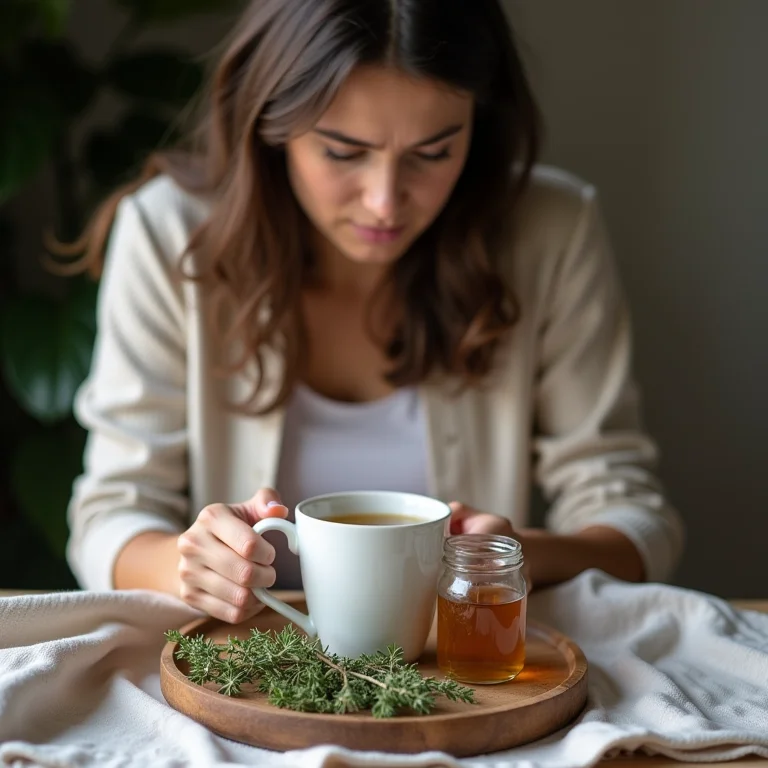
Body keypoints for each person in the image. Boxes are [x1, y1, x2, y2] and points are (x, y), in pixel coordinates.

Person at [66, 0, 684, 625]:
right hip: (243, 672)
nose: (386, 201)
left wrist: (497, 557)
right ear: (270, 127)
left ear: (480, 124)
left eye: (435, 153)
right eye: (342, 152)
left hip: (459, 681)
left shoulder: (552, 233)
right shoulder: (169, 233)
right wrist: (191, 564)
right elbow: (109, 516)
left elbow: (638, 526)